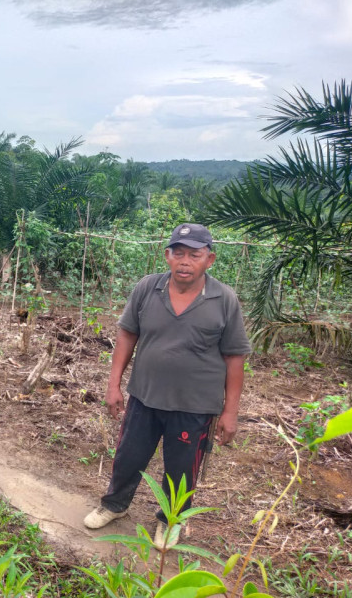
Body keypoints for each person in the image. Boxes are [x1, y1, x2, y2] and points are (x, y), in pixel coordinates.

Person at [83, 223, 250, 548]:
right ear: (167, 256)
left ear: (209, 259)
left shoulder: (224, 299)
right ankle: (114, 505)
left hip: (195, 406)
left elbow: (235, 359)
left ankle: (170, 521)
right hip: (145, 396)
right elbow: (127, 334)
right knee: (128, 456)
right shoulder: (148, 288)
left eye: (194, 255)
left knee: (181, 469)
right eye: (179, 253)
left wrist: (231, 412)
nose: (185, 261)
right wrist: (113, 385)